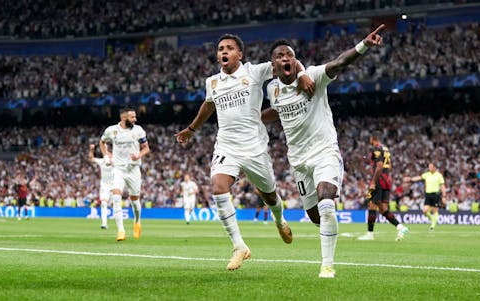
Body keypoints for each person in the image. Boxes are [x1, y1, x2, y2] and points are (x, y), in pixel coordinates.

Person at [175, 33, 314, 271]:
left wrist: (301, 74)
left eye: (229, 48)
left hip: (254, 147)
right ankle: (239, 246)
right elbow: (209, 106)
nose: (224, 52)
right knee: (218, 187)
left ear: (240, 54)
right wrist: (191, 129)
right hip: (226, 145)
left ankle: (279, 219)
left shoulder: (255, 71)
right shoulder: (213, 82)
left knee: (269, 195)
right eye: (220, 49)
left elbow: (288, 62)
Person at [261, 24, 388, 278]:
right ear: (272, 65)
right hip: (298, 161)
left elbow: (340, 62)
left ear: (296, 59)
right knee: (316, 216)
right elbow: (278, 111)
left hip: (325, 151)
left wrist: (364, 45)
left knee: (327, 201)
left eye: (290, 55)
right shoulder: (271, 90)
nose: (285, 58)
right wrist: (252, 120)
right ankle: (328, 227)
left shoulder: (315, 76)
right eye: (279, 56)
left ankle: (327, 265)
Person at [100, 106, 150, 241]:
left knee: (135, 201)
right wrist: (106, 154)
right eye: (132, 117)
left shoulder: (138, 130)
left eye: (135, 116)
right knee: (116, 197)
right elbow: (102, 141)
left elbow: (146, 148)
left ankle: (137, 221)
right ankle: (120, 231)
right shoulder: (112, 130)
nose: (135, 119)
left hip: (133, 169)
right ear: (124, 117)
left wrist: (138, 155)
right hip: (118, 168)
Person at [357, 133, 409, 241]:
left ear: (373, 139)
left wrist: (373, 182)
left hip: (380, 180)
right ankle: (401, 227)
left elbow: (379, 166)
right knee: (383, 209)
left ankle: (370, 234)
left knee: (372, 205)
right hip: (387, 180)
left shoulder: (376, 149)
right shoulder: (386, 149)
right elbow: (388, 166)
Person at [404, 163, 446, 231]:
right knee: (425, 211)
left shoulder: (439, 175)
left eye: (431, 167)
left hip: (435, 194)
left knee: (434, 210)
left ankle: (432, 226)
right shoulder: (427, 174)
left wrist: (444, 196)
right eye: (429, 167)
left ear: (434, 168)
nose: (429, 168)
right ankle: (433, 220)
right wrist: (410, 179)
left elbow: (442, 186)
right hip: (428, 194)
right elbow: (419, 177)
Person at [88, 143, 113, 229]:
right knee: (103, 203)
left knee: (116, 204)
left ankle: (120, 226)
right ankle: (104, 223)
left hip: (115, 186)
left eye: (109, 154)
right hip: (105, 186)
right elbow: (91, 159)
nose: (108, 155)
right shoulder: (102, 161)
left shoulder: (115, 161)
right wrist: (91, 150)